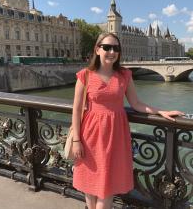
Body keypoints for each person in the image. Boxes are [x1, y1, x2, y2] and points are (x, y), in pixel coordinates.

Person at [72, 32, 184, 209]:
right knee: (90, 182)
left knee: (107, 185)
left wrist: (161, 111)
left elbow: (136, 103)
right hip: (90, 135)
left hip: (115, 135)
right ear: (97, 49)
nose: (111, 51)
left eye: (116, 48)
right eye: (107, 47)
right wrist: (77, 140)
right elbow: (77, 110)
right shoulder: (85, 76)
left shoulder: (124, 75)